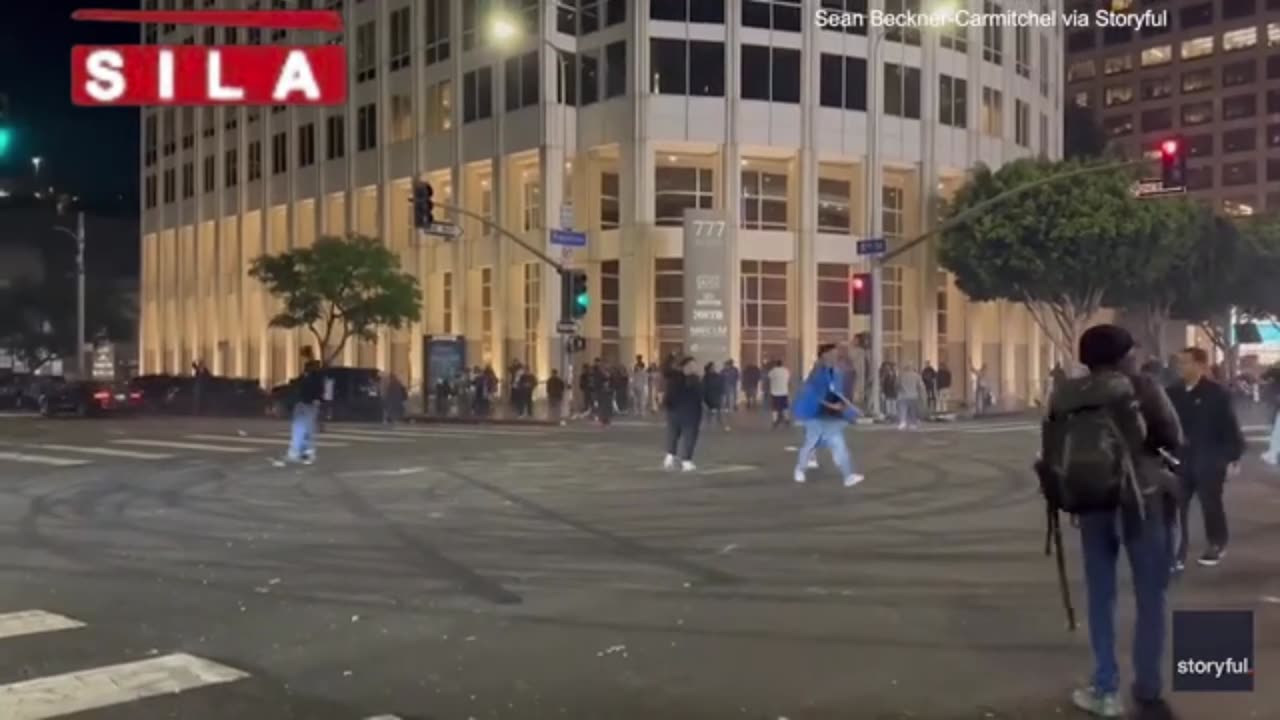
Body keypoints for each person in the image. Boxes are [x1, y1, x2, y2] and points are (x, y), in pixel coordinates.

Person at [1041, 324, 1182, 719]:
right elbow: (1173, 437)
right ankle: (1148, 688)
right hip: (1142, 501)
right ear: (1122, 356)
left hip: (1090, 503)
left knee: (1101, 597)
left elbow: (1050, 451)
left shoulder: (1065, 394)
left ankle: (1106, 690)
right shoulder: (1142, 387)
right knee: (1150, 596)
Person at [1166, 347, 1244, 569]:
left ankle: (1216, 543)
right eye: (1179, 363)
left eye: (1186, 362)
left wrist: (1232, 458)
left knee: (1211, 504)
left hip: (1210, 459)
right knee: (1176, 506)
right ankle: (1177, 552)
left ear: (1201, 365)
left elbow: (1230, 428)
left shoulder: (1217, 394)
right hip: (1179, 459)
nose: (1181, 367)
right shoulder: (1171, 392)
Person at [793, 343, 863, 487]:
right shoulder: (817, 373)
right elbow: (813, 395)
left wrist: (851, 408)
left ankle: (848, 476)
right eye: (833, 353)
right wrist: (832, 405)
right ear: (824, 355)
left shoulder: (835, 373)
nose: (836, 356)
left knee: (839, 446)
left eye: (836, 354)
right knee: (811, 443)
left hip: (830, 417)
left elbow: (838, 394)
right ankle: (800, 469)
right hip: (815, 415)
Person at [274, 346, 325, 466]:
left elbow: (312, 388)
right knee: (304, 429)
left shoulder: (313, 376)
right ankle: (304, 453)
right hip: (305, 403)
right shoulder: (311, 376)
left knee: (301, 428)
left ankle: (298, 453)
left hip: (308, 403)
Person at [662, 357, 703, 472]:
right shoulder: (689, 380)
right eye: (692, 365)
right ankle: (684, 460)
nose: (694, 368)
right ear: (684, 366)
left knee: (675, 434)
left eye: (695, 365)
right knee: (685, 436)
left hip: (681, 412)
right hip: (688, 413)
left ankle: (671, 458)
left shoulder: (677, 378)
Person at [896, 363, 926, 430]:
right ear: (912, 368)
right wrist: (922, 396)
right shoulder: (917, 376)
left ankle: (902, 422)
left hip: (902, 396)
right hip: (913, 396)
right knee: (913, 411)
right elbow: (921, 387)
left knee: (902, 410)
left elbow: (896, 385)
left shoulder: (901, 376)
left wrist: (898, 391)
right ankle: (913, 423)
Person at [1262, 365, 1280, 466]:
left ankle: (1273, 454)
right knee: (1276, 432)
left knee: (1276, 432)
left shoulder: (1274, 385)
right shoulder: (1274, 385)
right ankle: (1273, 453)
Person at [766, 359, 791, 428]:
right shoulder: (786, 371)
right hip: (784, 391)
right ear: (782, 364)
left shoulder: (772, 371)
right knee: (785, 406)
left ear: (776, 364)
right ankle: (787, 419)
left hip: (775, 392)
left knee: (775, 407)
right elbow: (788, 379)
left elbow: (769, 378)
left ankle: (775, 420)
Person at [703, 362, 727, 430]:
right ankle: (709, 422)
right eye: (712, 367)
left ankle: (720, 422)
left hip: (717, 395)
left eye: (713, 367)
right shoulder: (706, 377)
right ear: (709, 368)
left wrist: (722, 392)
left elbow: (721, 384)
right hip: (709, 396)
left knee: (719, 410)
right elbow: (704, 387)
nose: (713, 368)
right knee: (709, 410)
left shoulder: (717, 375)